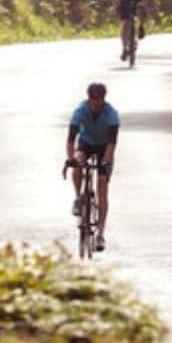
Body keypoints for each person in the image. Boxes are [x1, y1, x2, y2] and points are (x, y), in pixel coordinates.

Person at [66, 82, 120, 251]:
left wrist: (106, 161)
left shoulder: (111, 114)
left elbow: (112, 143)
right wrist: (72, 158)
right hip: (86, 143)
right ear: (88, 98)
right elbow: (70, 140)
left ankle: (100, 234)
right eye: (92, 99)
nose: (95, 103)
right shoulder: (80, 111)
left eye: (99, 99)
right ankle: (77, 197)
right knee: (78, 162)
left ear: (104, 98)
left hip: (104, 146)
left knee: (102, 186)